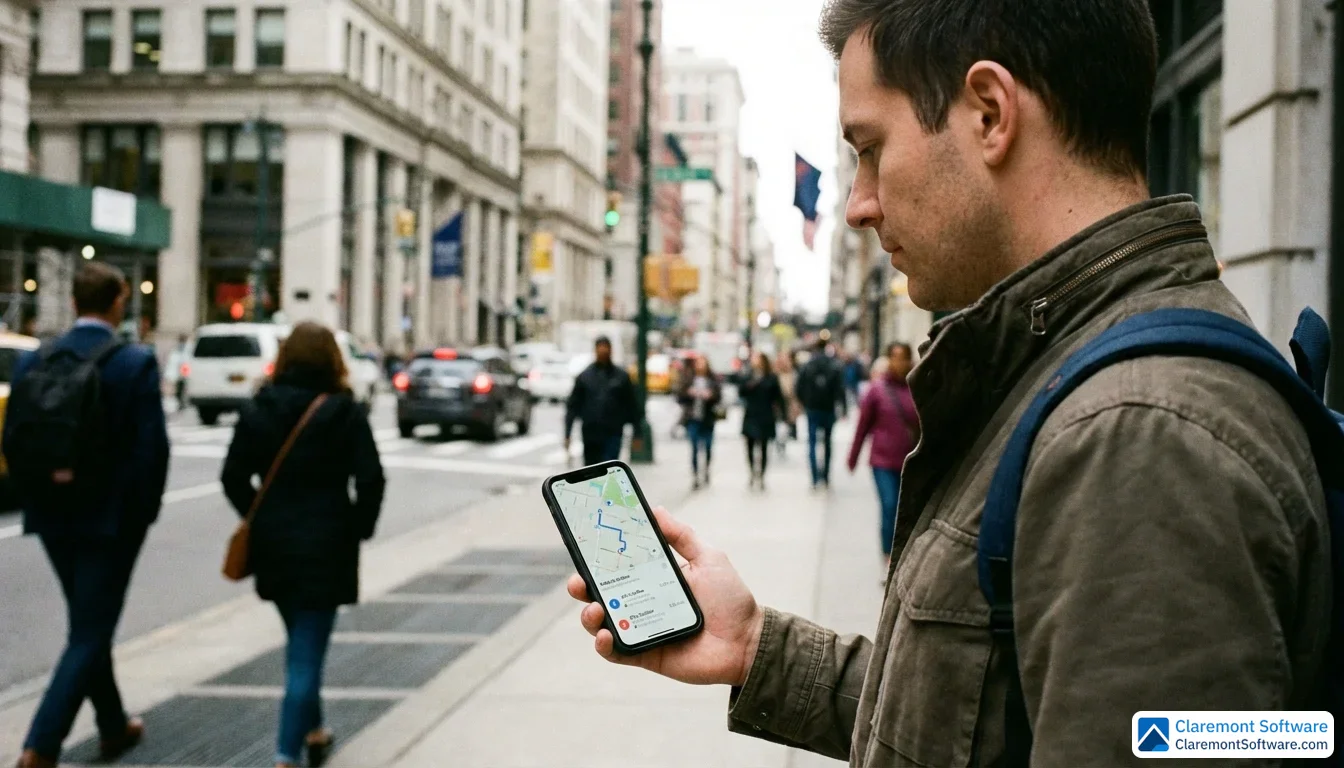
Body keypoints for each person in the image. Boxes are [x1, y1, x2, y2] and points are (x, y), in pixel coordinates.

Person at [563, 1, 1334, 764]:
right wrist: (760, 648)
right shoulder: (1067, 374)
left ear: (991, 114)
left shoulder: (1139, 436)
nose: (860, 204)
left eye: (871, 148)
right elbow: (987, 719)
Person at [4, 263, 169, 768]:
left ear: (75, 302)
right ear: (118, 302)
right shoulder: (134, 363)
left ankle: (114, 725)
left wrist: (41, 494)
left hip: (52, 515)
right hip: (110, 518)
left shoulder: (37, 360)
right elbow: (151, 452)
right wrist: (140, 515)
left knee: (87, 619)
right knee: (91, 629)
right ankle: (40, 745)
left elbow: (13, 440)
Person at [221, 322, 385, 768]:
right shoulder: (343, 410)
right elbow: (370, 478)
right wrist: (358, 526)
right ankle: (284, 756)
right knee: (305, 656)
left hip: (274, 544)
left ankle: (314, 731)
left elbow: (232, 475)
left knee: (301, 642)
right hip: (327, 543)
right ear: (333, 359)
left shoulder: (260, 407)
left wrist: (258, 515)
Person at [847, 343, 919, 574]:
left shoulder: (917, 386)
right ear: (888, 360)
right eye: (895, 358)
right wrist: (853, 456)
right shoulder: (877, 390)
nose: (900, 363)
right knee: (889, 507)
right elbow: (863, 426)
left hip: (911, 460)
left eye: (904, 358)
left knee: (907, 510)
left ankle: (905, 556)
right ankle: (888, 558)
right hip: (883, 461)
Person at [564, 336, 637, 466]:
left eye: (606, 348)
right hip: (591, 432)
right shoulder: (585, 376)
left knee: (610, 467)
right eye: (600, 348)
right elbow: (573, 406)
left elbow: (631, 405)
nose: (603, 351)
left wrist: (637, 433)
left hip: (613, 431)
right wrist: (567, 433)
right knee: (592, 469)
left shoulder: (621, 376)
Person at [794, 338, 845, 489]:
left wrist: (805, 403)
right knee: (828, 443)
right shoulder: (834, 365)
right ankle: (826, 476)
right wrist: (842, 407)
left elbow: (799, 387)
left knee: (812, 443)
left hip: (813, 408)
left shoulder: (808, 365)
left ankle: (815, 477)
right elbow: (840, 388)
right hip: (828, 408)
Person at [738, 352, 786, 491]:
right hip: (751, 415)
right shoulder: (748, 376)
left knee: (764, 447)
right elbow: (741, 392)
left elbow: (778, 397)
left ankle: (762, 475)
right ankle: (753, 473)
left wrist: (783, 416)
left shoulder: (771, 377)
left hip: (766, 416)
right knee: (750, 447)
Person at [676, 356, 722, 490]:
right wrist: (689, 393)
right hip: (692, 419)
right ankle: (695, 474)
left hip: (708, 419)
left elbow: (719, 396)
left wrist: (710, 395)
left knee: (707, 447)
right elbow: (679, 395)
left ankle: (706, 470)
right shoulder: (689, 379)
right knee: (694, 447)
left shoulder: (712, 380)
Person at [773, 351, 801, 456]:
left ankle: (782, 442)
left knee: (785, 425)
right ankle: (779, 442)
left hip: (788, 403)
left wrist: (796, 404)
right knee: (779, 425)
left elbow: (796, 390)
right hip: (777, 403)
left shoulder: (793, 373)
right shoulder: (775, 374)